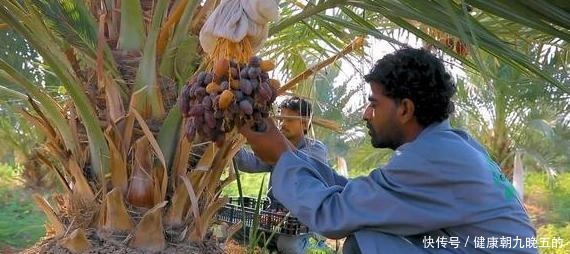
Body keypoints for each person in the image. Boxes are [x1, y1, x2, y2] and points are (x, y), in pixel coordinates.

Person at [239, 48, 537, 253]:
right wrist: (290, 154)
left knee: (365, 241)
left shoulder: (432, 158)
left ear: (405, 109)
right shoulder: (453, 145)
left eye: (374, 103)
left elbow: (335, 216)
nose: (366, 114)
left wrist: (281, 156)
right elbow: (363, 197)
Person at [233, 96, 336, 253]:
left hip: (303, 220)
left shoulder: (315, 149)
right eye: (280, 119)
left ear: (305, 122)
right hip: (276, 217)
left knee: (288, 246)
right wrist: (231, 146)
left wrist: (271, 138)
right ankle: (274, 245)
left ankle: (315, 242)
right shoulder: (277, 151)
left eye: (288, 119)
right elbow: (251, 164)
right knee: (238, 230)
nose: (282, 124)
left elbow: (296, 163)